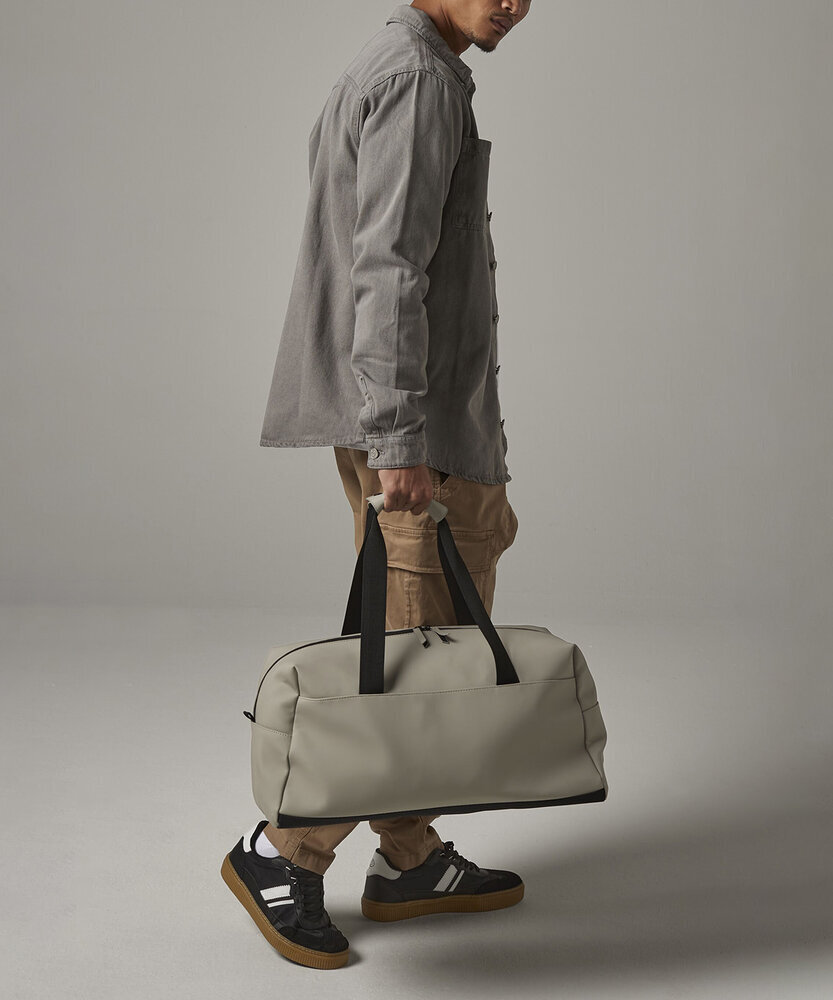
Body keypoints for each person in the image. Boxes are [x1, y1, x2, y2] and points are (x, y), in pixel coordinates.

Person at [221, 0, 532, 970]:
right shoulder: (417, 78)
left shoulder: (402, 64)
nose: (514, 2)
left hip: (417, 422)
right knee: (414, 663)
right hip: (414, 430)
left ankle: (408, 855)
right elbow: (388, 267)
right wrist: (399, 434)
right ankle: (285, 851)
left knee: (421, 647)